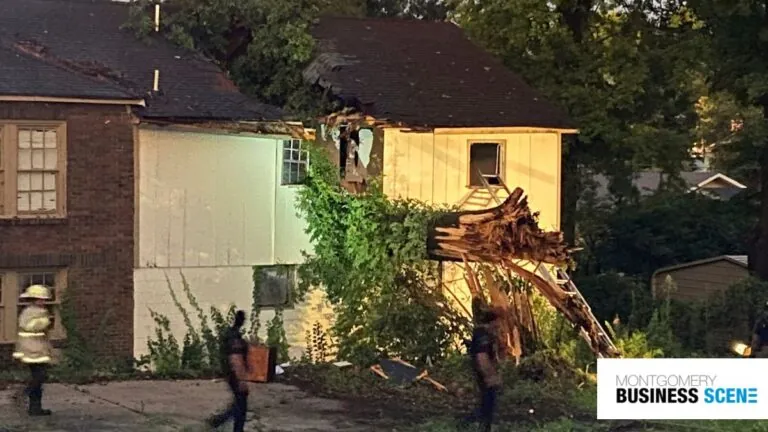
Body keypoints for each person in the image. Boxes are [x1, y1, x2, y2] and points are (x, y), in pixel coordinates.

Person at [12, 284, 54, 416]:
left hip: (37, 348)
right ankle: (26, 394)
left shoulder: (37, 311)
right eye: (40, 299)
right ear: (33, 299)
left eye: (43, 299)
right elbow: (29, 326)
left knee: (40, 378)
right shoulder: (30, 312)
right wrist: (45, 321)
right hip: (31, 350)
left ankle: (35, 408)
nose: (43, 302)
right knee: (40, 376)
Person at [206, 310, 250, 431]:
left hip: (229, 373)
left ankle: (219, 420)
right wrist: (241, 379)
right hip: (235, 375)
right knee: (241, 405)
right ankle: (224, 422)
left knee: (239, 403)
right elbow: (235, 358)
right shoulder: (234, 337)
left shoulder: (229, 334)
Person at [461, 307, 502, 432]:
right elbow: (482, 357)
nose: (499, 326)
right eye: (498, 322)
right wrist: (490, 376)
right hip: (484, 374)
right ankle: (473, 424)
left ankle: (482, 424)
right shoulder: (482, 336)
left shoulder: (483, 334)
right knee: (487, 402)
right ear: (493, 321)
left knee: (487, 402)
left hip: (482, 373)